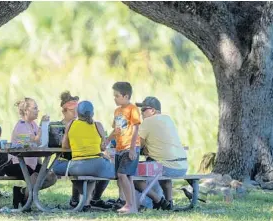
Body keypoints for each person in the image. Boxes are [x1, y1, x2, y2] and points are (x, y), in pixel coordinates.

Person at [52, 91, 113, 209]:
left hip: (78, 167)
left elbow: (64, 147)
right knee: (99, 172)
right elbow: (103, 147)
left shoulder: (71, 124)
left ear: (77, 112)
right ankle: (88, 201)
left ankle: (82, 200)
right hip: (98, 166)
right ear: (92, 113)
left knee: (58, 167)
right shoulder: (98, 125)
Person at [134, 96, 188, 210]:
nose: (141, 112)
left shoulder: (148, 122)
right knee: (161, 165)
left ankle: (160, 201)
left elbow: (138, 145)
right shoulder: (168, 119)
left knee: (132, 175)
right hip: (182, 166)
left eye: (144, 110)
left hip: (166, 166)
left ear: (153, 110)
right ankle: (169, 203)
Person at [4, 97, 57, 209]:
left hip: (31, 163)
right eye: (35, 108)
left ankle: (22, 192)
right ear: (26, 110)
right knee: (35, 177)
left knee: (51, 177)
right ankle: (26, 202)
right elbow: (35, 140)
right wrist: (43, 124)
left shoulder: (33, 124)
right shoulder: (22, 125)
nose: (38, 110)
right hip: (17, 163)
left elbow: (40, 142)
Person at [106, 82, 141, 214]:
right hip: (120, 148)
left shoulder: (133, 109)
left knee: (122, 175)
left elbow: (136, 128)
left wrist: (132, 148)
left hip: (129, 148)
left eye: (117, 96)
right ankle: (133, 207)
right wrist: (107, 140)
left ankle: (129, 204)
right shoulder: (117, 111)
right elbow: (116, 129)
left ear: (126, 96)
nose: (114, 98)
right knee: (127, 177)